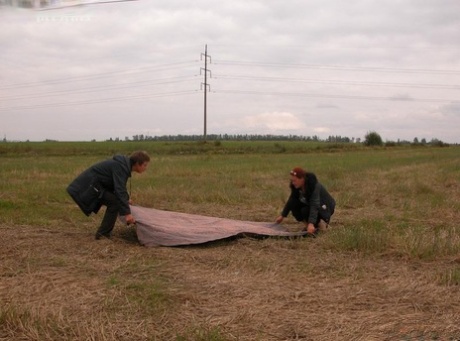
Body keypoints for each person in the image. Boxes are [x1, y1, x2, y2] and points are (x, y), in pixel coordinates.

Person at [67, 151, 150, 240]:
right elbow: (119, 189)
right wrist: (127, 214)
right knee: (115, 203)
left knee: (116, 201)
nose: (146, 168)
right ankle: (103, 235)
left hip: (95, 186)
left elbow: (118, 186)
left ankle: (103, 233)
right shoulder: (121, 167)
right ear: (137, 163)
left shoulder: (123, 166)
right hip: (87, 186)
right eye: (145, 165)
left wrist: (126, 199)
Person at [275, 166, 335, 235]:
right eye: (292, 181)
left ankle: (320, 225)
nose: (293, 183)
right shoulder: (297, 187)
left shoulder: (314, 186)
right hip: (311, 205)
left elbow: (314, 205)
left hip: (325, 207)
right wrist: (282, 215)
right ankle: (308, 226)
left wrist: (311, 223)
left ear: (302, 179)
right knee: (293, 205)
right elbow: (292, 199)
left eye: (295, 180)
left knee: (305, 211)